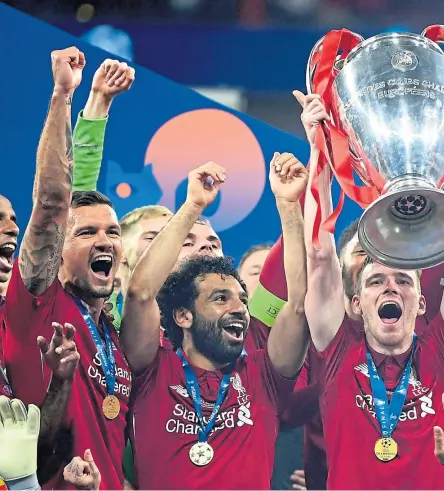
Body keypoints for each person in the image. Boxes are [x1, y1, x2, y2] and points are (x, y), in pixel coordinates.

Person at [120, 156, 308, 489]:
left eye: (243, 299)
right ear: (183, 315)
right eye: (220, 299)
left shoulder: (264, 373)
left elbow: (297, 305)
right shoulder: (151, 367)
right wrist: (193, 205)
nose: (238, 307)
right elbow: (140, 293)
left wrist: (289, 205)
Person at [2, 47, 134, 490]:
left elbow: (82, 196)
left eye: (113, 233)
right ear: (57, 251)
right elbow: (55, 203)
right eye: (86, 234)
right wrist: (64, 95)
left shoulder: (114, 334)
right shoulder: (38, 304)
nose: (104, 241)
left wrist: (99, 104)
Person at [301, 85, 444, 488]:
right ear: (355, 303)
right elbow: (320, 254)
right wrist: (320, 150)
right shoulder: (338, 352)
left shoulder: (437, 348)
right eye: (376, 281)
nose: (391, 289)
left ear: (420, 302)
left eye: (403, 280)